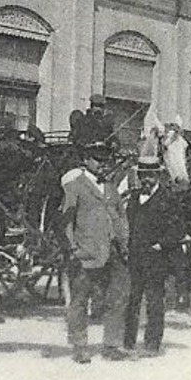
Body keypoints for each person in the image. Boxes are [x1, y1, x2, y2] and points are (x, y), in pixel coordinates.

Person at [58, 143, 131, 363]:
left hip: (114, 251)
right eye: (97, 159)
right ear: (87, 160)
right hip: (86, 253)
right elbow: (66, 220)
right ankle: (80, 346)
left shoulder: (110, 187)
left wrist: (124, 240)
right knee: (80, 300)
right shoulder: (75, 186)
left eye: (105, 160)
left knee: (117, 298)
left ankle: (112, 344)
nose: (102, 164)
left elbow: (121, 215)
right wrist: (73, 248)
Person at [123, 156, 184, 357]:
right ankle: (128, 341)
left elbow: (178, 229)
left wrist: (162, 244)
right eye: (143, 176)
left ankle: (152, 343)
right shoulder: (133, 198)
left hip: (157, 259)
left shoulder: (169, 198)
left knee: (155, 301)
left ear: (158, 175)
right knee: (132, 300)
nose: (146, 180)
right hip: (135, 257)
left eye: (150, 175)